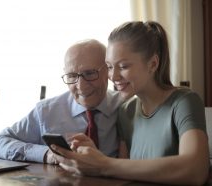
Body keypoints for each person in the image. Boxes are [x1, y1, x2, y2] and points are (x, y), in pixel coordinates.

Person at [52, 21, 210, 185]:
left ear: (153, 64)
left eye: (123, 66)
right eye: (110, 67)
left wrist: (103, 164)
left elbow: (196, 171)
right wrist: (94, 156)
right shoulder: (126, 110)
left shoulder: (184, 101)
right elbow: (123, 174)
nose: (113, 77)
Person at [0, 39, 123, 164]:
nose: (81, 86)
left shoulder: (125, 107)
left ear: (108, 71)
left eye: (89, 73)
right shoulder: (46, 111)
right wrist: (46, 154)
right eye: (72, 76)